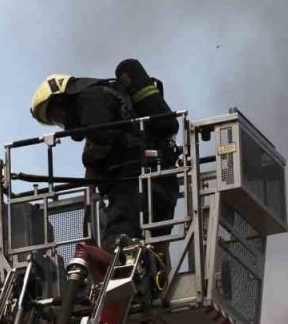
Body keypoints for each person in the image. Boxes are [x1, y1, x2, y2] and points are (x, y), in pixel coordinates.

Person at [29, 68, 179, 255]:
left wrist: (90, 162)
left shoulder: (90, 97)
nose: (63, 123)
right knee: (158, 251)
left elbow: (101, 136)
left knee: (117, 244)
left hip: (132, 184)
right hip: (163, 179)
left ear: (64, 98)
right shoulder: (114, 98)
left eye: (58, 115)